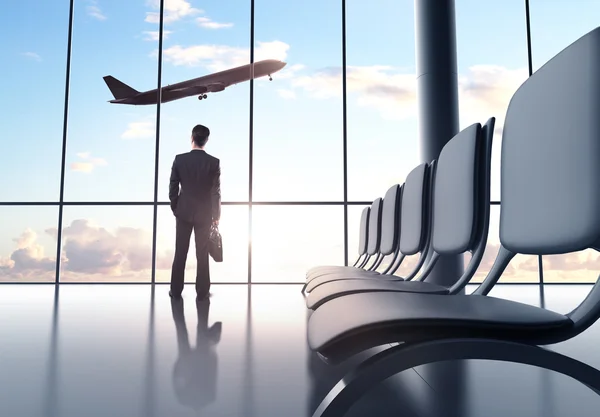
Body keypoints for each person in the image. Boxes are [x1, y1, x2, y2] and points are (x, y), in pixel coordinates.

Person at [169, 124, 221, 300]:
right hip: (205, 214)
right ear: (206, 140)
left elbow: (173, 186)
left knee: (180, 252)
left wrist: (175, 207)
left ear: (191, 138)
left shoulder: (179, 159)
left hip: (183, 211)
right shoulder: (214, 162)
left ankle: (176, 291)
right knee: (202, 254)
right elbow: (216, 192)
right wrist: (216, 215)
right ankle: (202, 292)